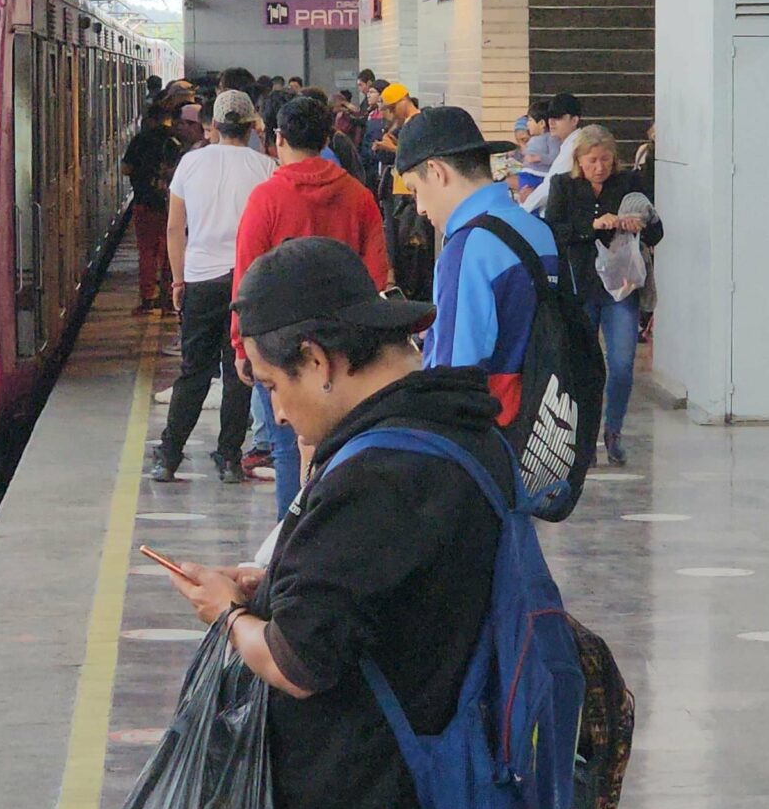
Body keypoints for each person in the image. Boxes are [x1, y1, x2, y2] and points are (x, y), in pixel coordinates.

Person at [156, 237, 499, 809]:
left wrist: (228, 613)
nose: (277, 411)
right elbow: (388, 591)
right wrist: (280, 578)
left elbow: (298, 661)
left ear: (317, 359)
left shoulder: (375, 472)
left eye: (274, 384)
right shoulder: (457, 430)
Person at [235, 93, 392, 518]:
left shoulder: (266, 198)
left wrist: (240, 346)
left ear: (279, 138)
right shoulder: (358, 196)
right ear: (327, 139)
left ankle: (291, 539)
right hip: (345, 348)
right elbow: (377, 276)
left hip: (281, 347)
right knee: (346, 447)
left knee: (288, 451)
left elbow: (247, 279)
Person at [395, 105, 559, 424]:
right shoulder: (538, 230)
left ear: (437, 172)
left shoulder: (467, 247)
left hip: (492, 433)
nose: (420, 208)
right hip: (546, 425)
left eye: (415, 190)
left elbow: (451, 378)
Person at [152, 91, 276, 483]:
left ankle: (169, 456)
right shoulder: (266, 167)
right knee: (239, 371)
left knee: (194, 371)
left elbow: (175, 227)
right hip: (247, 284)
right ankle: (229, 458)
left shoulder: (191, 163)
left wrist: (178, 279)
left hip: (200, 280)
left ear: (214, 125)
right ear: (251, 125)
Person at [543, 125, 660, 465]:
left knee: (621, 364)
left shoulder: (629, 184)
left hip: (620, 287)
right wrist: (592, 226)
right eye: (592, 161)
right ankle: (584, 434)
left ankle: (613, 430)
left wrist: (639, 223)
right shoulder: (563, 186)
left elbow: (656, 231)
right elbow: (552, 230)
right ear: (579, 161)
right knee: (582, 366)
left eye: (605, 160)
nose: (599, 167)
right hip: (580, 286)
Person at [121, 100, 185, 315]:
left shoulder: (141, 139)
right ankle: (168, 297)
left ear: (150, 119)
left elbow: (126, 168)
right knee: (169, 251)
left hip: (145, 203)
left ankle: (148, 297)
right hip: (171, 205)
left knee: (147, 252)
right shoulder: (177, 140)